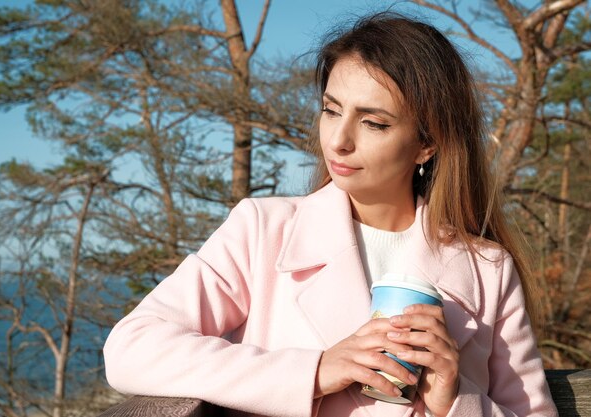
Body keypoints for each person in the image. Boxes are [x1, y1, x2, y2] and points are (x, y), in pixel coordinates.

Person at [103, 11, 558, 417]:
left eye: (373, 122)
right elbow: (132, 348)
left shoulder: (488, 269)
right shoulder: (263, 230)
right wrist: (315, 371)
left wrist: (456, 401)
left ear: (428, 143)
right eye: (330, 110)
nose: (338, 140)